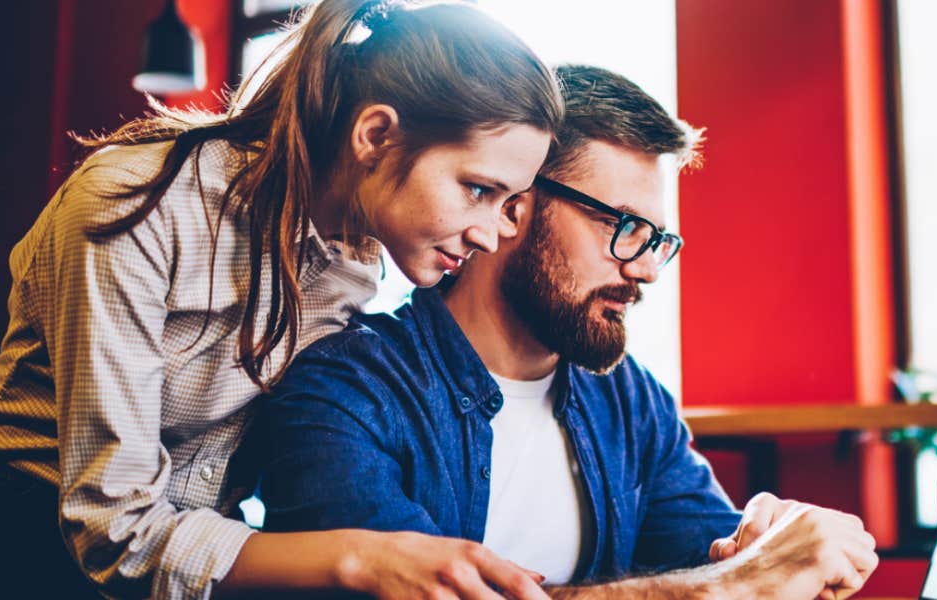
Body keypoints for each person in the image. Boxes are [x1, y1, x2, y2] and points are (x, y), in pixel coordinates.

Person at [0, 1, 563, 598]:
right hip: (21, 552)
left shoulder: (355, 264)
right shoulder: (134, 205)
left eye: (507, 202)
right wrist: (365, 559)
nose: (489, 234)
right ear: (375, 134)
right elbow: (114, 530)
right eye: (478, 189)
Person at [255, 64, 879, 599]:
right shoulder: (343, 389)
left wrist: (777, 542)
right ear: (512, 205)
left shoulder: (630, 400)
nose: (646, 270)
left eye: (658, 241)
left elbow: (717, 557)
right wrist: (736, 584)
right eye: (624, 227)